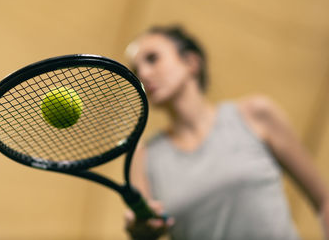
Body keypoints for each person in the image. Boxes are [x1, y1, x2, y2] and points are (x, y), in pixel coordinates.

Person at [123, 25, 329, 240]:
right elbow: (146, 229)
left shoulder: (256, 115)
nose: (143, 74)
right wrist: (139, 230)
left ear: (191, 62)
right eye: (136, 70)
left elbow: (324, 201)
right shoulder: (144, 155)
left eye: (153, 59)